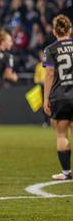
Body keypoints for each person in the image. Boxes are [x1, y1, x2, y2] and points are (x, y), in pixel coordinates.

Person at [43, 14, 73, 180]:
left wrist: (46, 98)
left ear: (54, 32)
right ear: (70, 30)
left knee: (62, 135)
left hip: (60, 96)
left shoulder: (50, 49)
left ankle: (67, 172)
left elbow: (49, 73)